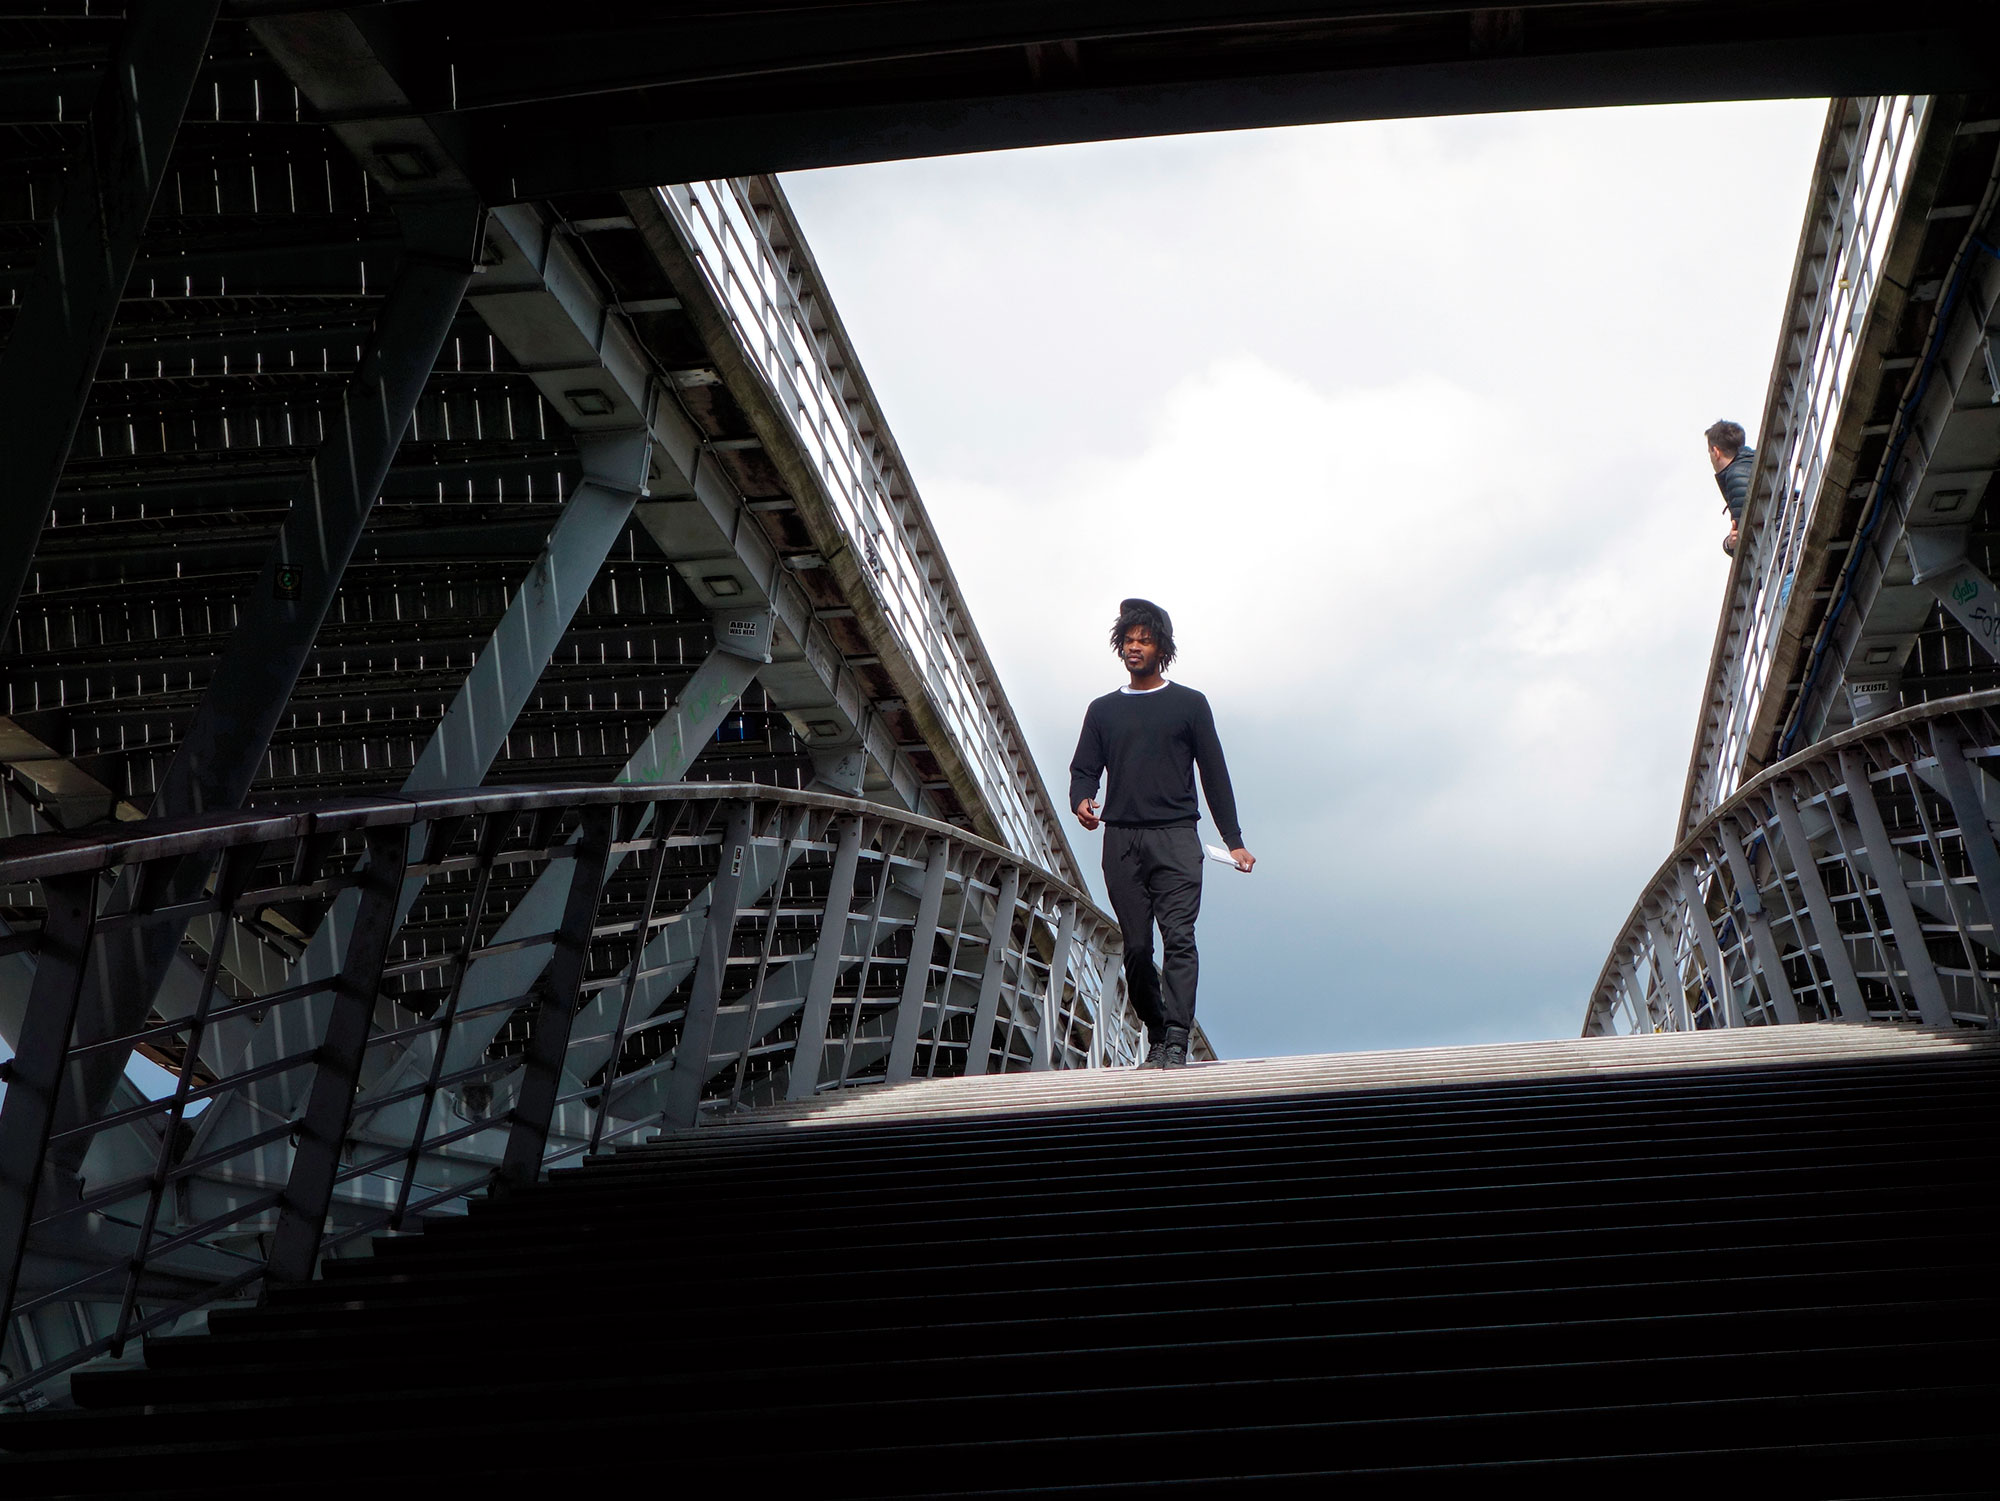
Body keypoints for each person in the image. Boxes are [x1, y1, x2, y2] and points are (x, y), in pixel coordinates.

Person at [1068, 599, 1254, 1070]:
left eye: (1144, 640)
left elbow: (1215, 774)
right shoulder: (1103, 711)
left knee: (1179, 938)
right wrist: (1082, 799)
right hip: (1122, 841)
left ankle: (1176, 1038)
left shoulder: (1189, 705)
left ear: (1161, 649)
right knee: (1135, 948)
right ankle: (1156, 1030)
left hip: (1176, 838)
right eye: (1128, 640)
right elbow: (1083, 768)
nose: (1134, 647)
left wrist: (1233, 839)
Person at [1707, 419, 1757, 557]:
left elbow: (1746, 536)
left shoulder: (1735, 475)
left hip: (1783, 553)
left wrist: (1730, 545)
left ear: (1716, 451)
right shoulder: (1753, 462)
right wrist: (1728, 544)